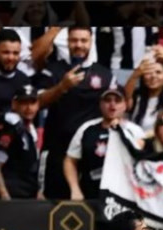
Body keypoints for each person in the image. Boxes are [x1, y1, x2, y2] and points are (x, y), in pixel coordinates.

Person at [36, 27, 116, 200]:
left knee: (90, 204)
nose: (79, 45)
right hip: (57, 150)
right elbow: (38, 103)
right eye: (74, 40)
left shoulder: (104, 74)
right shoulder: (54, 70)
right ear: (67, 42)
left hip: (90, 153)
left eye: (83, 41)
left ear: (91, 42)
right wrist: (62, 87)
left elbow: (119, 105)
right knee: (54, 205)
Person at [64, 85, 145, 201]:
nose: (112, 105)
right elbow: (70, 159)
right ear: (100, 104)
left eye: (117, 101)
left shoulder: (135, 131)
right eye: (107, 100)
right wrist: (75, 189)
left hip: (125, 196)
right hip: (91, 194)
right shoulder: (87, 128)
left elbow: (144, 163)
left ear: (125, 105)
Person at [0, 85, 41, 200]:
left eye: (32, 103)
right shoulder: (10, 129)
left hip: (28, 196)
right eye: (24, 103)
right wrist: (4, 196)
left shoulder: (31, 130)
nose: (29, 108)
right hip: (12, 197)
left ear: (38, 105)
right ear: (14, 104)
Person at [123, 44, 163, 133]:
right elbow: (124, 98)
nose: (153, 76)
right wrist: (136, 74)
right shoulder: (137, 98)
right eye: (148, 72)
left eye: (158, 72)